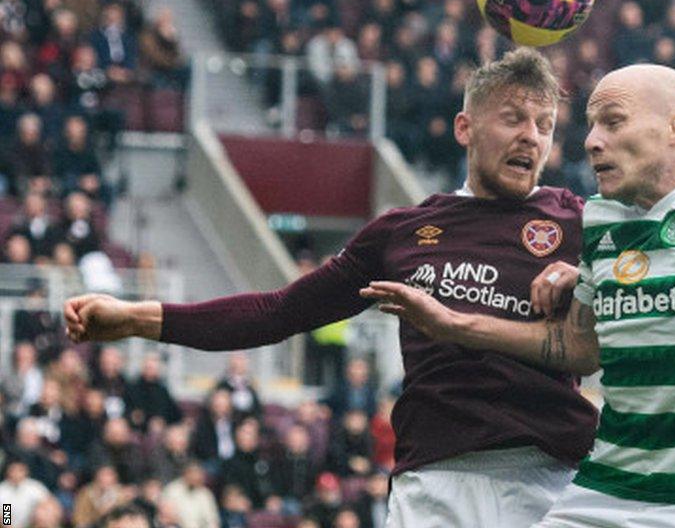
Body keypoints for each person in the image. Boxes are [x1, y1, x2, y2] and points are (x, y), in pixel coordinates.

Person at [63, 47, 598, 527]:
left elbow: (652, 288)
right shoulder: (402, 232)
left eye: (545, 124)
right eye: (513, 118)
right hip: (437, 485)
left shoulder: (576, 220)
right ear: (465, 128)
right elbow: (277, 312)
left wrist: (587, 279)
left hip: (554, 480)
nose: (532, 134)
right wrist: (136, 319)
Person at [361, 64, 675, 526]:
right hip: (607, 485)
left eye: (613, 121)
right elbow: (572, 346)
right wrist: (455, 325)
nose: (590, 141)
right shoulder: (604, 218)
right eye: (590, 125)